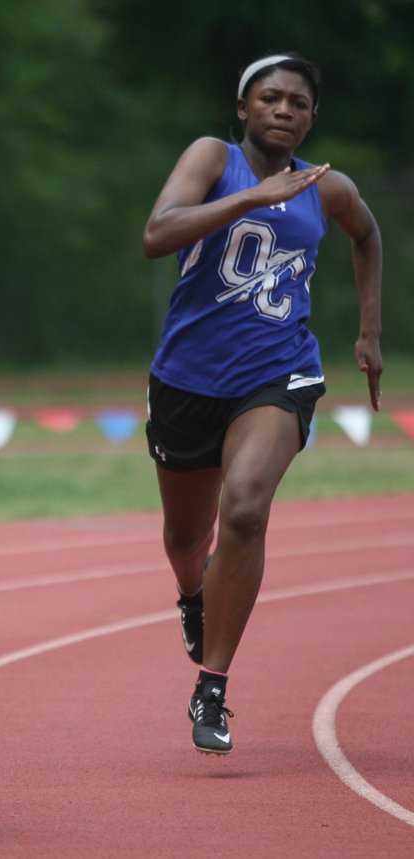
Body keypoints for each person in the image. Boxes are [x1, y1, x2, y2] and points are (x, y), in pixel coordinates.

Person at [141, 54, 382, 755]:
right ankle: (193, 596)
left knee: (244, 506)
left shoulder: (325, 187)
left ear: (312, 117)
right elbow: (157, 235)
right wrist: (248, 198)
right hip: (187, 379)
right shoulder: (213, 158)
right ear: (243, 107)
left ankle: (212, 685)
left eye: (298, 102)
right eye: (270, 98)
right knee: (188, 539)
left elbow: (366, 235)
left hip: (278, 371)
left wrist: (369, 329)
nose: (284, 110)